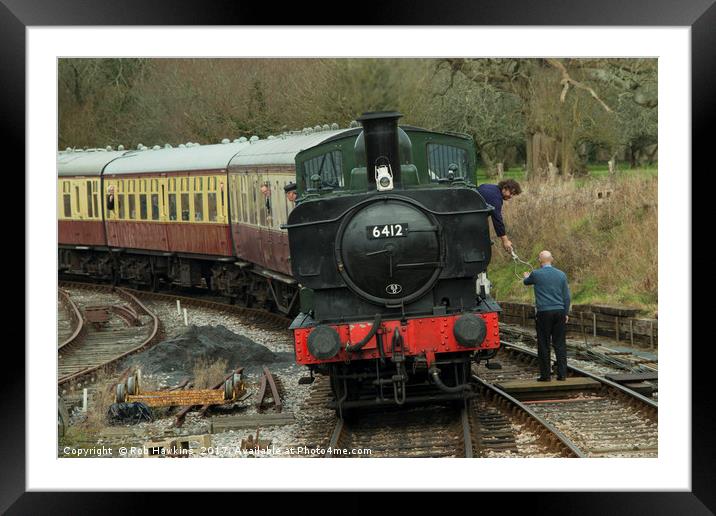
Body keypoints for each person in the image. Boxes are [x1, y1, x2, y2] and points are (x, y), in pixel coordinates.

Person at [522, 250, 571, 382]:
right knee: (560, 343)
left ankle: (546, 376)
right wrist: (566, 313)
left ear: (540, 260)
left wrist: (526, 276)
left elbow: (526, 282)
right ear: (552, 259)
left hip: (544, 313)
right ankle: (562, 375)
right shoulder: (561, 275)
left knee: (544, 344)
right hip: (559, 311)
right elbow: (567, 296)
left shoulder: (536, 274)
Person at [476, 179, 522, 254]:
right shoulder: (496, 198)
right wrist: (505, 240)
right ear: (504, 188)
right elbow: (497, 219)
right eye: (511, 193)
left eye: (513, 195)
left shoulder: (490, 187)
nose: (511, 196)